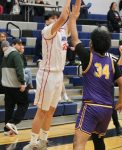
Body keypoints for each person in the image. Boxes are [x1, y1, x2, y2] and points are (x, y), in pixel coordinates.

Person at [70, 3, 122, 150]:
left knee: (78, 143)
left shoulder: (88, 57)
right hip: (107, 110)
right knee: (98, 140)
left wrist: (73, 19)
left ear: (91, 44)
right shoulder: (112, 62)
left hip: (91, 107)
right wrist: (120, 101)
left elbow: (75, 40)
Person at [23, 0, 73, 149]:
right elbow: (64, 17)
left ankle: (43, 140)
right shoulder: (47, 31)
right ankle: (33, 143)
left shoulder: (63, 32)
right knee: (42, 111)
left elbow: (70, 19)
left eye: (55, 17)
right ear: (47, 21)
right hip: (47, 74)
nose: (54, 19)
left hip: (58, 74)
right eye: (51, 18)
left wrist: (75, 12)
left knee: (51, 110)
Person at [1, 40, 29, 136]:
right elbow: (19, 69)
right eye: (19, 44)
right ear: (13, 45)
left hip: (7, 86)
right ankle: (12, 123)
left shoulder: (5, 55)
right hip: (16, 85)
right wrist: (22, 82)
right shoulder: (16, 55)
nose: (21, 46)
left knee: (9, 107)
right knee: (24, 104)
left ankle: (7, 130)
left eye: (22, 44)